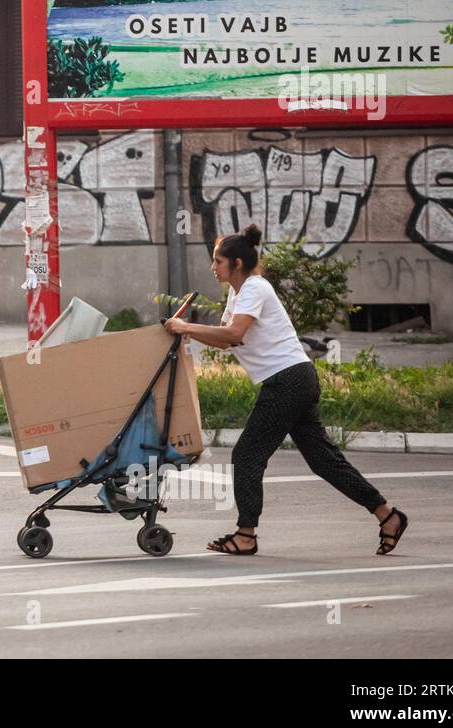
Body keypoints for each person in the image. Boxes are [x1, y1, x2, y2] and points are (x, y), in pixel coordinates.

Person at [162, 224, 409, 557]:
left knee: (247, 455)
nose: (213, 267)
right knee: (323, 460)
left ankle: (246, 534)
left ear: (236, 263)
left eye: (218, 261)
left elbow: (234, 334)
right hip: (294, 378)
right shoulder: (238, 294)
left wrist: (185, 326)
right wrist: (187, 334)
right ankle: (388, 515)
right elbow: (225, 339)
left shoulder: (255, 288)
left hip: (287, 380)